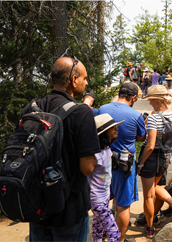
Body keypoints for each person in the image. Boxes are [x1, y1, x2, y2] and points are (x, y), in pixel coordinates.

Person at [22, 56, 101, 241]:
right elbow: (87, 167)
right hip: (69, 210)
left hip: (37, 206)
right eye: (84, 78)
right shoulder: (81, 112)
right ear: (74, 80)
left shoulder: (31, 108)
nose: (86, 82)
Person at [98, 83, 146, 242]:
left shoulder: (102, 109)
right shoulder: (136, 115)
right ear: (133, 98)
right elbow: (141, 137)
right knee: (123, 206)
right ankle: (119, 239)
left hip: (102, 162)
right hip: (124, 165)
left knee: (104, 202)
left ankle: (103, 233)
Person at [137, 85, 172, 239]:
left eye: (150, 100)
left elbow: (149, 145)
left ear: (156, 99)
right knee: (157, 188)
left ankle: (149, 228)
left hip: (152, 158)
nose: (149, 103)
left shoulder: (155, 117)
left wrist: (141, 163)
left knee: (148, 196)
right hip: (166, 157)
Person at [89, 114, 124, 242]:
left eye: (116, 126)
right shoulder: (95, 154)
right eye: (113, 127)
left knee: (98, 229)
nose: (117, 129)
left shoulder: (107, 149)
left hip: (104, 197)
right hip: (97, 199)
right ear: (103, 132)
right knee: (114, 233)